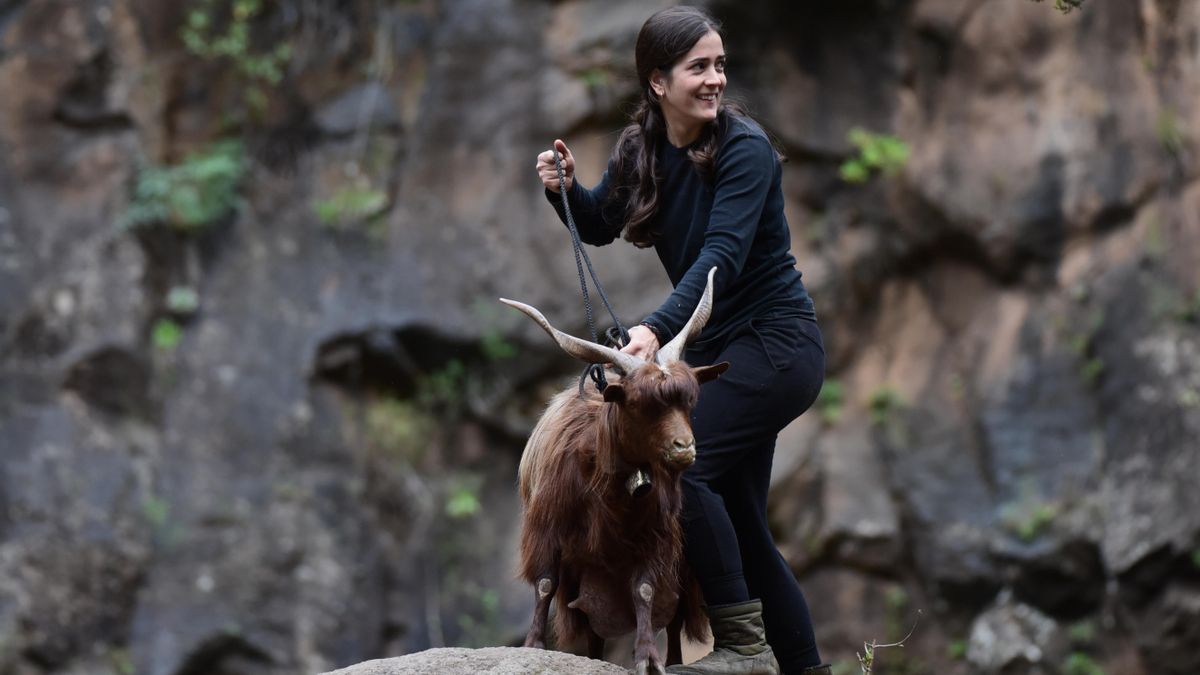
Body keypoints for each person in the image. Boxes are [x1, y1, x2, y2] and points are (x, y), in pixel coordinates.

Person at [534, 7, 831, 675]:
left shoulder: (745, 150)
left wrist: (654, 328)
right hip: (727, 356)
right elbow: (601, 223)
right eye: (700, 66)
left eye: (720, 64)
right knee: (746, 528)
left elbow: (720, 255)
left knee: (681, 467)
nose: (716, 78)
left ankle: (746, 650)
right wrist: (564, 192)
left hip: (776, 347)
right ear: (658, 82)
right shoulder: (642, 150)